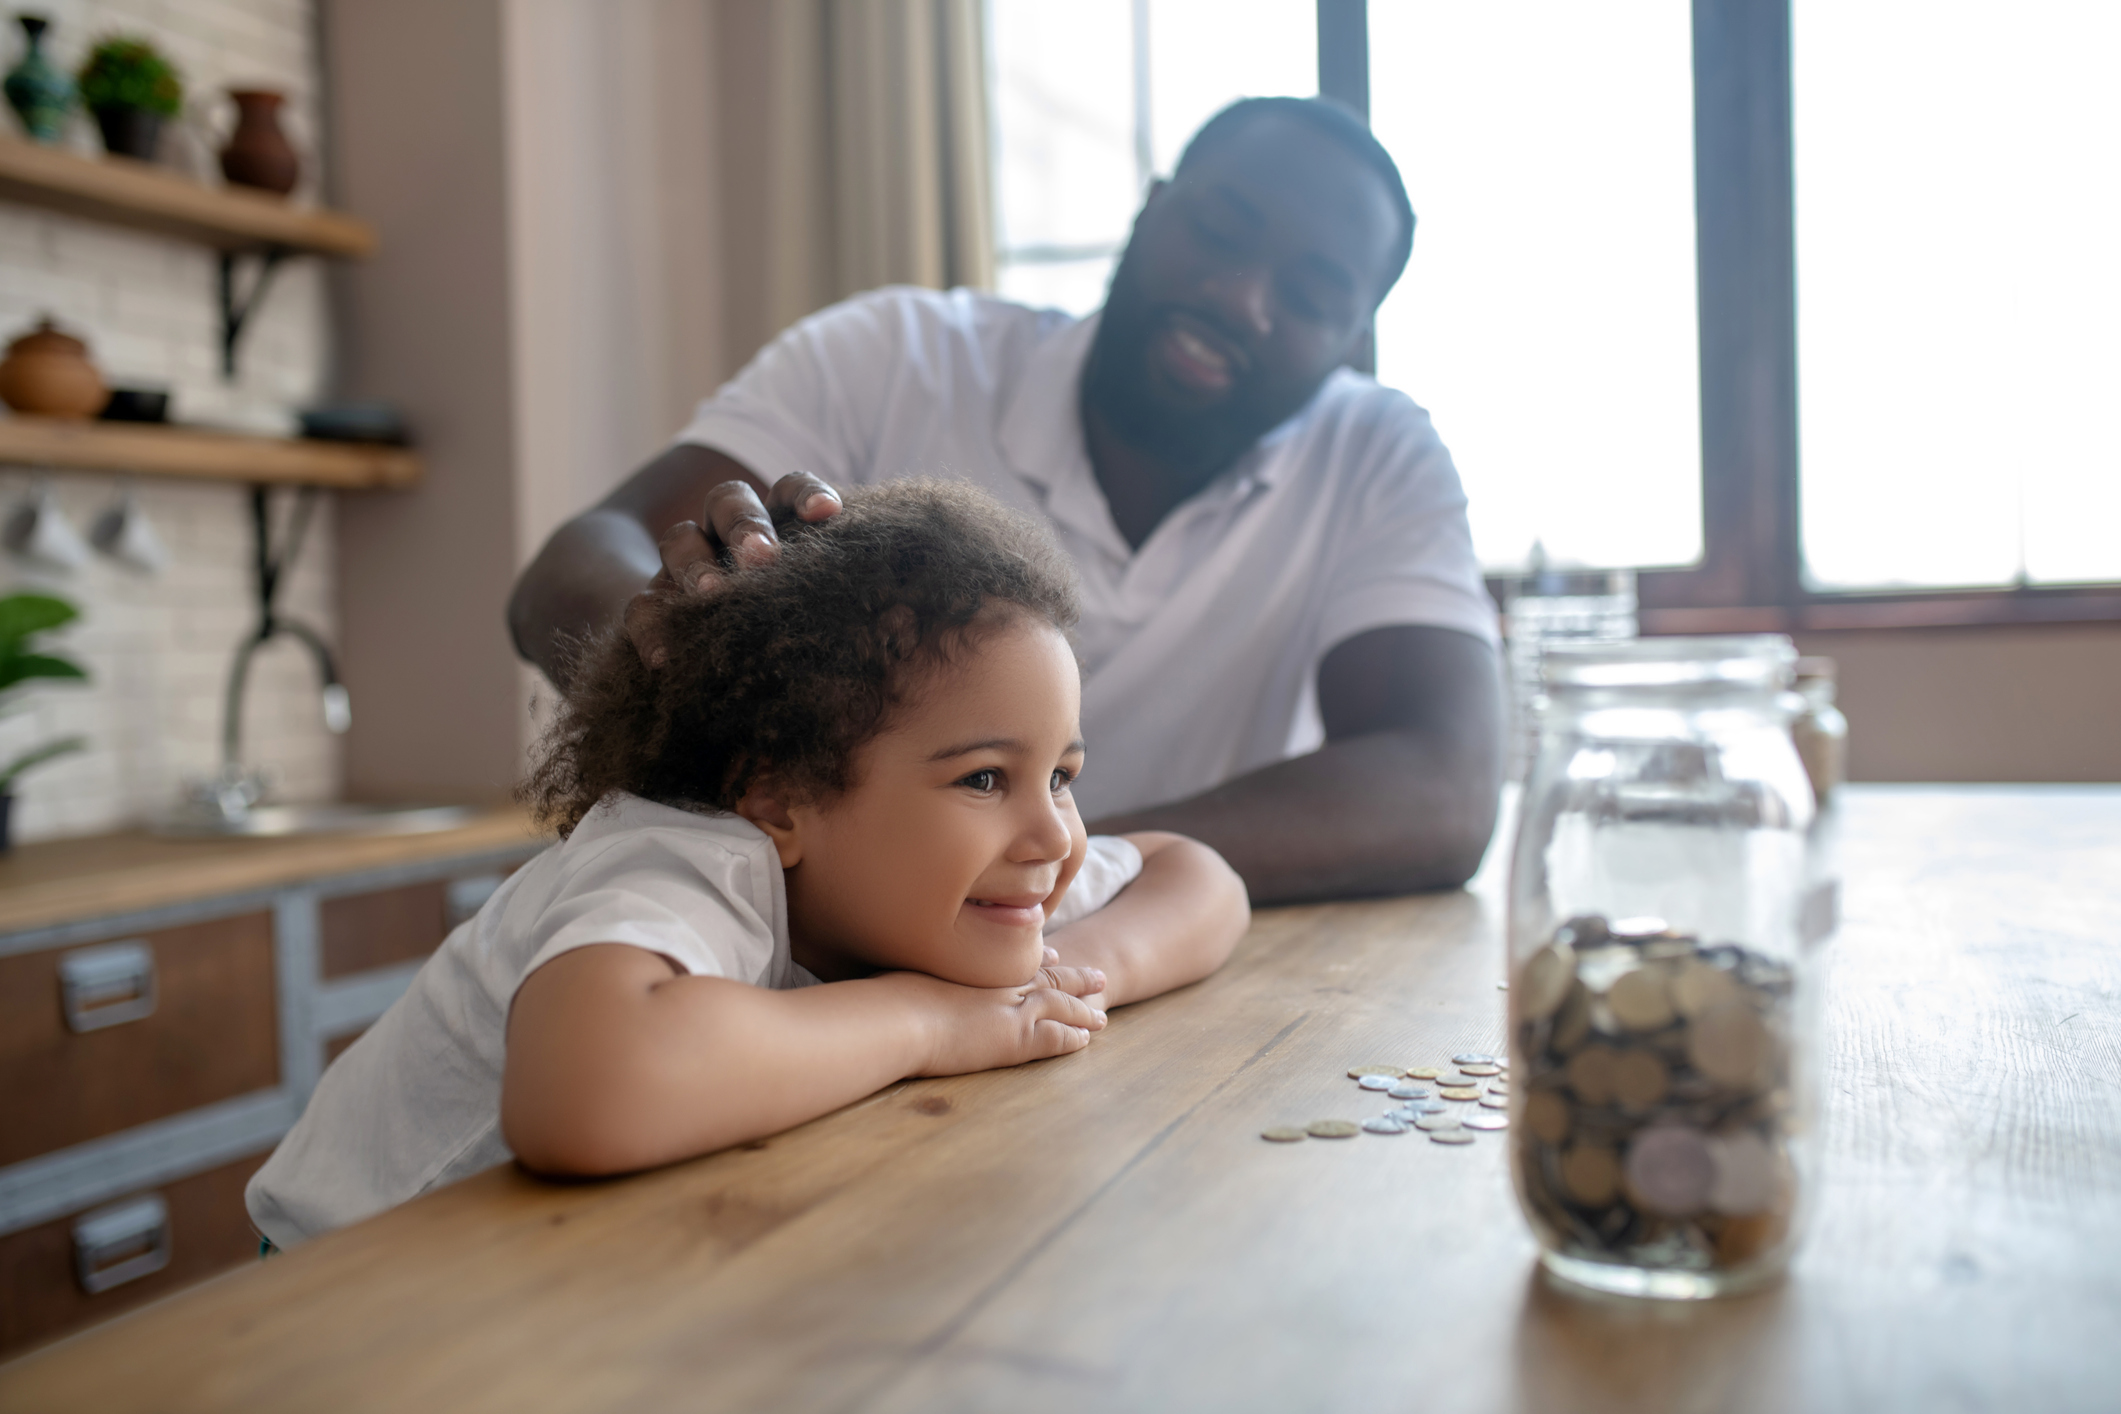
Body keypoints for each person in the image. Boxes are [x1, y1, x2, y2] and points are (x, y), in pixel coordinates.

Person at [509, 97, 1503, 906]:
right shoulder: (893, 357)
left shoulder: (1381, 454)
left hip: (1097, 968)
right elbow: (573, 561)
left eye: (1314, 292)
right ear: (1151, 208)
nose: (1243, 297)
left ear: (1354, 340)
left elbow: (1442, 788)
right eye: (1219, 230)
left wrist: (1028, 873)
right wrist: (687, 647)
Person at [248, 483, 1247, 1248]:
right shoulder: (685, 857)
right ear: (778, 798)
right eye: (986, 779)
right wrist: (934, 1020)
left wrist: (1064, 978)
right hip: (343, 1287)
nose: (1055, 837)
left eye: (1062, 775)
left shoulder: (961, 874)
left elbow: (1195, 875)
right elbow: (587, 1094)